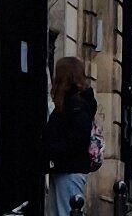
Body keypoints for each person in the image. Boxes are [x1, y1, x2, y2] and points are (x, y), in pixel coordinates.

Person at [43, 56, 97, 216]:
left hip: (69, 169)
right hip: (65, 168)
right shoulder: (74, 103)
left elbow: (77, 140)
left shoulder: (75, 105)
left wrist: (49, 149)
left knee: (66, 211)